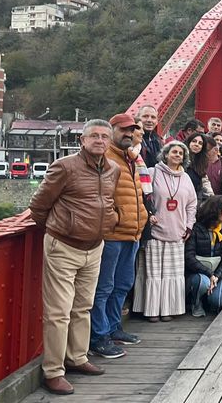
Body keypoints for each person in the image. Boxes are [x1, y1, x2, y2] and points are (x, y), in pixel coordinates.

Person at [29, 119, 120, 395]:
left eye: (105, 136)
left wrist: (112, 220)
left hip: (95, 247)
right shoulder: (65, 166)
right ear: (82, 140)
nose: (100, 141)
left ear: (110, 142)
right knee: (58, 312)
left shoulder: (113, 169)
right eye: (94, 136)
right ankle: (53, 371)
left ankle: (77, 357)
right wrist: (62, 230)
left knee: (83, 306)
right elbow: (39, 206)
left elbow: (108, 203)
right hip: (64, 247)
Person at [89, 114, 148, 360]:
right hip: (113, 234)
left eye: (132, 130)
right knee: (104, 287)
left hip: (132, 233)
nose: (128, 134)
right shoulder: (106, 157)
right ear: (112, 130)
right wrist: (115, 218)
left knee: (122, 284)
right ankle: (99, 337)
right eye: (123, 130)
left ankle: (114, 328)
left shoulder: (131, 158)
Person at [133, 140, 197, 322]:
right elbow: (142, 196)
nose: (177, 155)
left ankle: (168, 309)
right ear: (166, 154)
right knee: (153, 274)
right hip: (155, 231)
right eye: (174, 152)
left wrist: (189, 225)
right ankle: (152, 310)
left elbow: (192, 205)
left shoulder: (186, 178)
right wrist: (147, 214)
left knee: (172, 275)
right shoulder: (153, 172)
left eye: (181, 153)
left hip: (177, 232)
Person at [185, 195, 222, 316]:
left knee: (217, 301)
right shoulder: (196, 229)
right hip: (199, 272)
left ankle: (208, 299)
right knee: (203, 282)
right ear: (214, 210)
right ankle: (196, 302)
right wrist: (209, 274)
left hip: (218, 272)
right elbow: (189, 256)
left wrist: (217, 275)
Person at [185, 133, 213, 200]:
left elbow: (204, 180)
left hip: (195, 197)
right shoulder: (181, 159)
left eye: (200, 143)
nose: (197, 144)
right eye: (194, 141)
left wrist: (212, 196)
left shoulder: (201, 162)